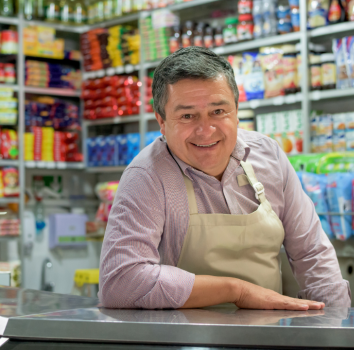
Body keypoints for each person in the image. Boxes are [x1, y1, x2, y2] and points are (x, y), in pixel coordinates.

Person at [99, 47, 351, 310]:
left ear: (237, 110)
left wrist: (337, 326)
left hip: (268, 336)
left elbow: (312, 253)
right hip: (179, 340)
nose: (205, 130)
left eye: (218, 111)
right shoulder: (147, 177)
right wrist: (237, 291)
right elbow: (120, 282)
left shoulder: (269, 156)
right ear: (161, 121)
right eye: (187, 115)